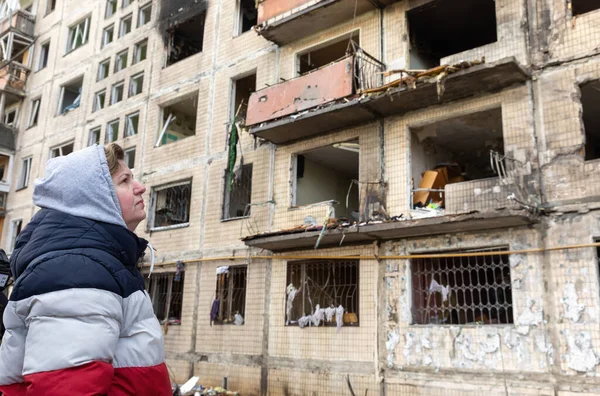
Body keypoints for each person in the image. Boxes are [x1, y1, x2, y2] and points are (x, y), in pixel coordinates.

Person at [0, 144, 172, 395]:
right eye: (125, 180)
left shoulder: (96, 263)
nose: (140, 187)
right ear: (94, 197)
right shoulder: (76, 271)